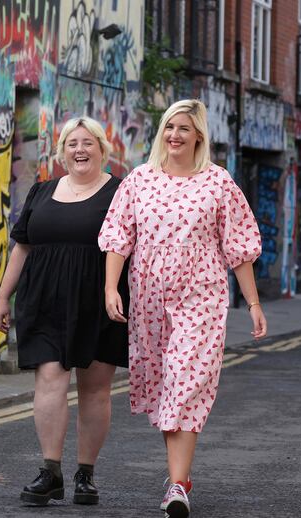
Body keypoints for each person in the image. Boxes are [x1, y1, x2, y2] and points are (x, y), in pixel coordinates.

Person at [98, 99, 267, 518]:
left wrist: (254, 303)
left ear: (199, 137)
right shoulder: (139, 180)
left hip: (202, 296)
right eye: (169, 127)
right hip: (149, 298)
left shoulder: (218, 183)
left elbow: (239, 247)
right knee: (164, 387)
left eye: (184, 128)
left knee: (186, 381)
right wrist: (109, 288)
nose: (174, 135)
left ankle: (176, 486)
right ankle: (180, 476)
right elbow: (119, 236)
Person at [0, 116, 129, 507]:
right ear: (62, 151)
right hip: (44, 299)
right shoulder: (41, 191)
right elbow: (22, 247)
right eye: (72, 143)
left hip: (100, 298)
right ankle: (50, 472)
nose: (80, 150)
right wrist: (3, 297)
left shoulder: (121, 193)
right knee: (49, 380)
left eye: (88, 143)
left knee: (95, 388)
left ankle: (85, 475)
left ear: (103, 150)